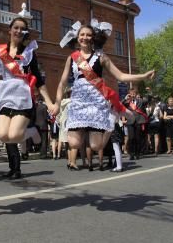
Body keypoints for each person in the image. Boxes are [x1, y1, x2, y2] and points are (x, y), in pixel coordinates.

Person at [53, 20, 155, 170]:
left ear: (93, 37)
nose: (85, 38)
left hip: (96, 101)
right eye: (82, 35)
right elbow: (62, 83)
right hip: (78, 101)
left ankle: (111, 119)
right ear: (77, 37)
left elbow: (121, 76)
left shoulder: (101, 57)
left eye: (88, 35)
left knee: (97, 145)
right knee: (74, 143)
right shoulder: (72, 57)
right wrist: (57, 103)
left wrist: (143, 76)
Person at [0, 17, 54, 178]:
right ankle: (13, 168)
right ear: (10, 30)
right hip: (5, 96)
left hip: (21, 96)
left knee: (14, 135)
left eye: (22, 29)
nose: (19, 31)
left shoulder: (28, 53)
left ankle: (30, 136)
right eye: (16, 28)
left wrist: (49, 102)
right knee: (3, 135)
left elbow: (39, 81)